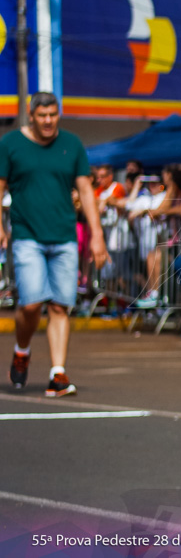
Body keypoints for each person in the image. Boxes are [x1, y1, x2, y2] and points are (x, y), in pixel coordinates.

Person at [4, 92, 109, 397]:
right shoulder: (11, 145)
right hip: (27, 236)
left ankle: (58, 374)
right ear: (31, 115)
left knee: (60, 306)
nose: (48, 121)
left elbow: (86, 191)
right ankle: (22, 349)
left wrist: (97, 234)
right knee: (32, 303)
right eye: (42, 115)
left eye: (53, 114)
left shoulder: (72, 144)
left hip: (64, 236)